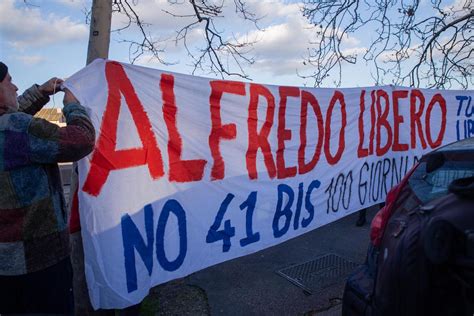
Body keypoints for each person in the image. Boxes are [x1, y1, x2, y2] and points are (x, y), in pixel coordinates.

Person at [0, 61, 95, 314]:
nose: (16, 86)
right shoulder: (18, 128)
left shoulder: (13, 129)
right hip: (40, 263)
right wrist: (73, 107)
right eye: (9, 81)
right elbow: (81, 141)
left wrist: (40, 93)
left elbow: (12, 120)